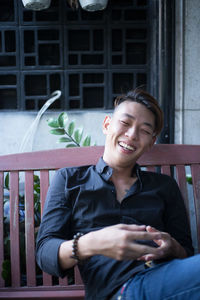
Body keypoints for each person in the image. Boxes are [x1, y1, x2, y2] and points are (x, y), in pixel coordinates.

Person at [36, 88, 200, 300]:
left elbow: (185, 251)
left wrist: (173, 248)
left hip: (167, 283)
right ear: (107, 125)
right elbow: (44, 253)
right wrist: (93, 243)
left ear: (151, 142)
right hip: (118, 291)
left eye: (144, 130)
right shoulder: (70, 180)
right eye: (125, 123)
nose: (132, 135)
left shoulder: (164, 186)